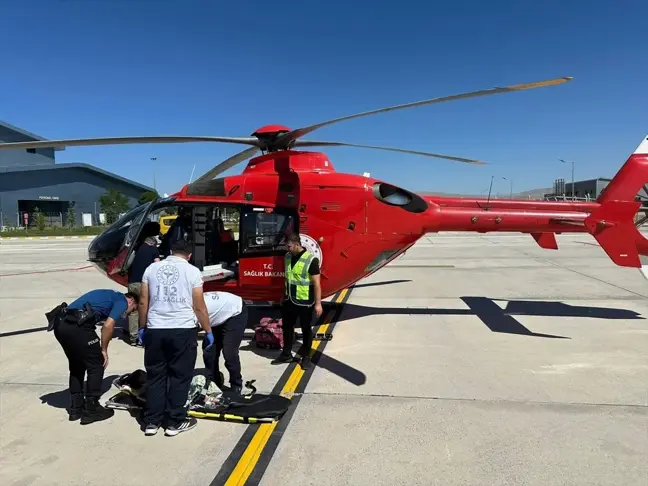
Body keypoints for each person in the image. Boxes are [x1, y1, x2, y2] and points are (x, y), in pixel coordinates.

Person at [137, 238, 213, 437]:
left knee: (155, 376)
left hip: (155, 328)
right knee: (180, 376)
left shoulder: (151, 269)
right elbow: (199, 305)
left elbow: (144, 300)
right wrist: (208, 330)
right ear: (189, 255)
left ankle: (152, 422)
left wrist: (142, 327)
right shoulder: (192, 272)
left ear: (170, 250)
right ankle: (174, 421)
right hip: (182, 329)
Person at [52, 289, 138, 424]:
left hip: (61, 324)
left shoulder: (109, 295)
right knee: (97, 364)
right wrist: (104, 350)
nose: (130, 313)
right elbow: (108, 326)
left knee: (76, 365)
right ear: (131, 301)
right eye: (133, 309)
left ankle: (76, 408)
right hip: (77, 326)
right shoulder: (122, 301)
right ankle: (92, 409)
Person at [271, 233, 323, 369]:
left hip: (304, 301)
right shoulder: (287, 257)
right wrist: (283, 295)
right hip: (289, 300)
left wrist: (318, 304)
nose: (287, 248)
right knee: (287, 327)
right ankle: (286, 353)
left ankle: (306, 357)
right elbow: (288, 279)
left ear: (297, 244)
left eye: (289, 246)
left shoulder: (311, 260)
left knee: (306, 329)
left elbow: (317, 284)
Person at [201, 291, 248, 394]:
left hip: (234, 312)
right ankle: (214, 382)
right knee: (209, 352)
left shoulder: (192, 312)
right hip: (214, 317)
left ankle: (236, 384)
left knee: (229, 352)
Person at [126, 231, 160, 346]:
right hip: (143, 284)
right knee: (146, 308)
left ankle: (133, 338)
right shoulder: (153, 250)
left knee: (133, 310)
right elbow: (158, 265)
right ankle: (145, 336)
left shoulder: (136, 249)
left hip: (131, 283)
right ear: (153, 243)